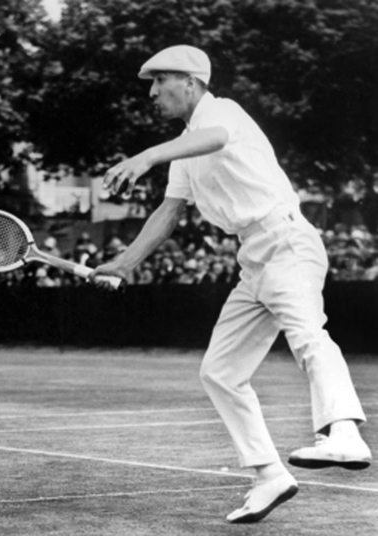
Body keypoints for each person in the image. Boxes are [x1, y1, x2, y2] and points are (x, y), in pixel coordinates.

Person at [91, 45, 371, 524]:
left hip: (286, 240)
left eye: (161, 81)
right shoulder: (183, 152)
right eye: (152, 83)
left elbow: (215, 138)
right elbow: (168, 213)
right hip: (252, 260)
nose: (153, 92)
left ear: (192, 83)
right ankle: (269, 475)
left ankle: (344, 431)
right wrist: (123, 262)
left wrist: (145, 157)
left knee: (307, 334)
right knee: (219, 372)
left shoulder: (223, 111)